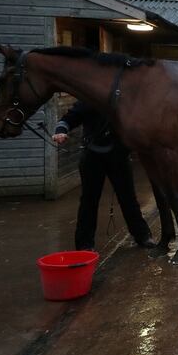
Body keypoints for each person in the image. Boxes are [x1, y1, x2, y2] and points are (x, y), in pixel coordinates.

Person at [52, 101, 153, 251]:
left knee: (128, 198)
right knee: (89, 200)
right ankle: (84, 245)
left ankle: (143, 236)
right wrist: (61, 130)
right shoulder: (89, 97)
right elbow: (70, 117)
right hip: (92, 154)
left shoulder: (122, 100)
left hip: (118, 154)